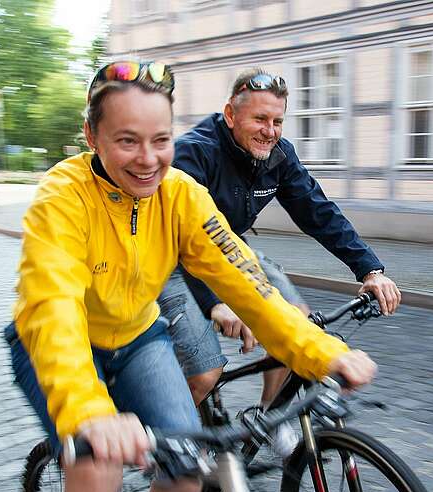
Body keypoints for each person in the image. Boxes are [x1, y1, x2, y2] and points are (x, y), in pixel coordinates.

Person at [4, 60, 378, 492]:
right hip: (53, 344)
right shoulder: (62, 196)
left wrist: (323, 353)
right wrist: (88, 411)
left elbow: (248, 282)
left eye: (160, 140)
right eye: (127, 141)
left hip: (139, 339)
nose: (148, 159)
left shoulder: (182, 194)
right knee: (97, 464)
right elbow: (54, 306)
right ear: (92, 137)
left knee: (186, 468)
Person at [157, 68, 402, 420]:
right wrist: (216, 302)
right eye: (259, 119)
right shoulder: (194, 154)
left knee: (296, 321)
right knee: (204, 373)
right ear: (230, 114)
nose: (269, 131)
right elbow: (182, 238)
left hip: (231, 250)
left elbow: (319, 212)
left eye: (277, 121)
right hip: (174, 260)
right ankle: (177, 446)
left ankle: (271, 418)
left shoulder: (278, 155)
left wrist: (370, 269)